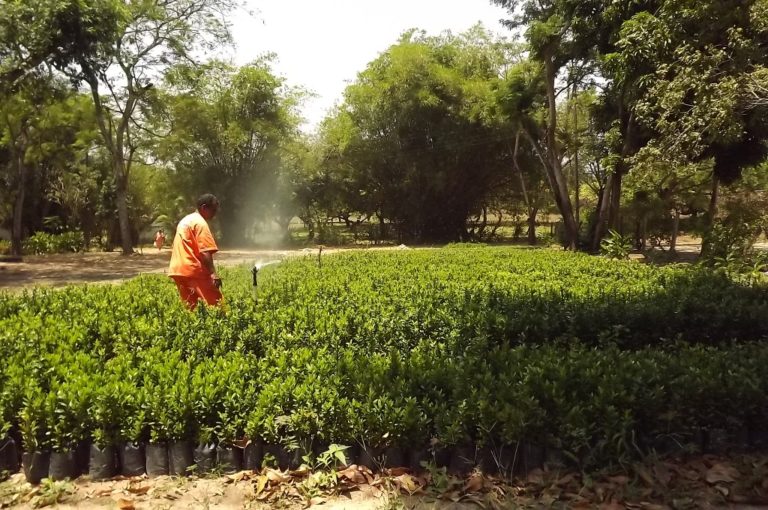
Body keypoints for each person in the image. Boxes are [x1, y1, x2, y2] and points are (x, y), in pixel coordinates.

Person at [168, 194, 223, 309]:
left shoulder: (186, 220)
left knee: (191, 308)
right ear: (204, 207)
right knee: (217, 306)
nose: (215, 214)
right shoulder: (200, 223)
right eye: (213, 210)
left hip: (178, 271)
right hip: (194, 270)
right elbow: (205, 251)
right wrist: (213, 274)